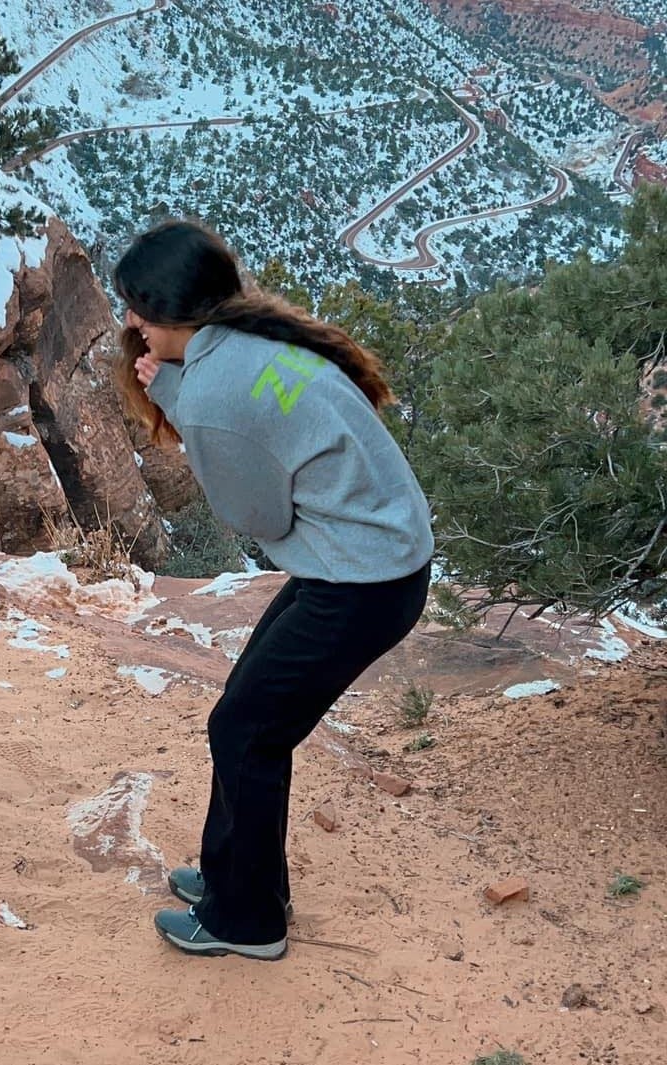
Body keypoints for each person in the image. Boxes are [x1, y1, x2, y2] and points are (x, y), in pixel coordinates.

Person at [113, 220, 434, 960]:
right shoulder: (245, 344)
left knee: (246, 731)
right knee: (245, 719)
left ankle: (249, 921)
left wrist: (186, 409)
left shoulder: (212, 392)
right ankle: (237, 877)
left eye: (138, 308)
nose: (129, 323)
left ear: (177, 312)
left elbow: (255, 515)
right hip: (376, 558)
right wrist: (181, 389)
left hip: (364, 579)